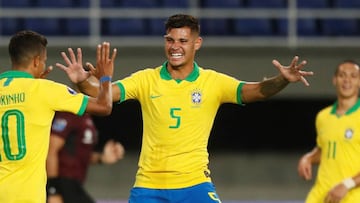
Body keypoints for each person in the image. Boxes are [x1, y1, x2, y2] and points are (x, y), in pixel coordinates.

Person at [65, 14, 314, 203]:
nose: (176, 46)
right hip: (149, 185)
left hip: (195, 185)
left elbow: (258, 90)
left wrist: (282, 79)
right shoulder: (146, 79)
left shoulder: (212, 82)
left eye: (183, 41)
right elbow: (104, 95)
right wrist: (81, 80)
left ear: (197, 43)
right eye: (170, 40)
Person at [0, 30, 117, 203]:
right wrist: (105, 78)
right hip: (27, 196)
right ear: (36, 61)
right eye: (44, 60)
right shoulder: (45, 90)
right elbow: (104, 106)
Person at [298, 60, 360, 203]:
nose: (347, 80)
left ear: (359, 81)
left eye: (353, 76)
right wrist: (308, 158)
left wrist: (347, 184)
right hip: (321, 195)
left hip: (352, 196)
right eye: (342, 75)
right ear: (334, 80)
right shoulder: (323, 117)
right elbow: (327, 149)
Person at [46, 111, 125, 203]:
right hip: (62, 183)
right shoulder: (69, 114)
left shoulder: (86, 118)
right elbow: (51, 150)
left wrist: (101, 158)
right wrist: (53, 190)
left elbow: (79, 155)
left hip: (74, 185)